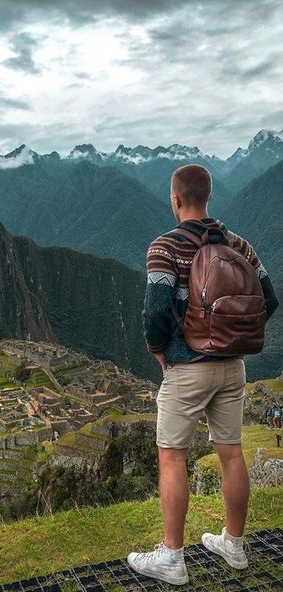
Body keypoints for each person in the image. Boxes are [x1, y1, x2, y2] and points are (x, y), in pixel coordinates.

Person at [127, 164, 279, 586]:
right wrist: (234, 339)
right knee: (232, 452)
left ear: (175, 199)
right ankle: (234, 543)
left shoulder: (164, 248)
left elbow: (155, 311)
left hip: (187, 367)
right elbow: (269, 299)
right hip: (234, 368)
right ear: (208, 197)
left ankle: (172, 557)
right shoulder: (239, 245)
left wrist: (160, 351)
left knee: (172, 456)